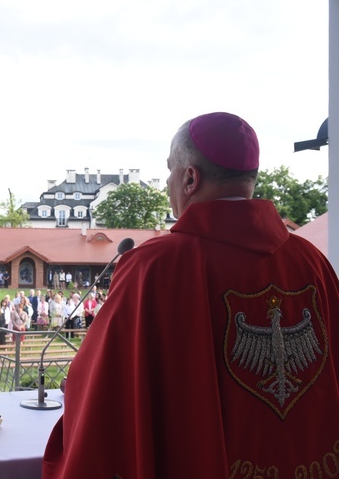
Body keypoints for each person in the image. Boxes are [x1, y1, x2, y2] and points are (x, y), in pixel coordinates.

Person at [43, 112, 339, 477]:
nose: (168, 182)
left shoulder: (152, 268)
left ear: (189, 178)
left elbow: (102, 396)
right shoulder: (313, 263)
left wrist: (75, 388)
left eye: (170, 171)